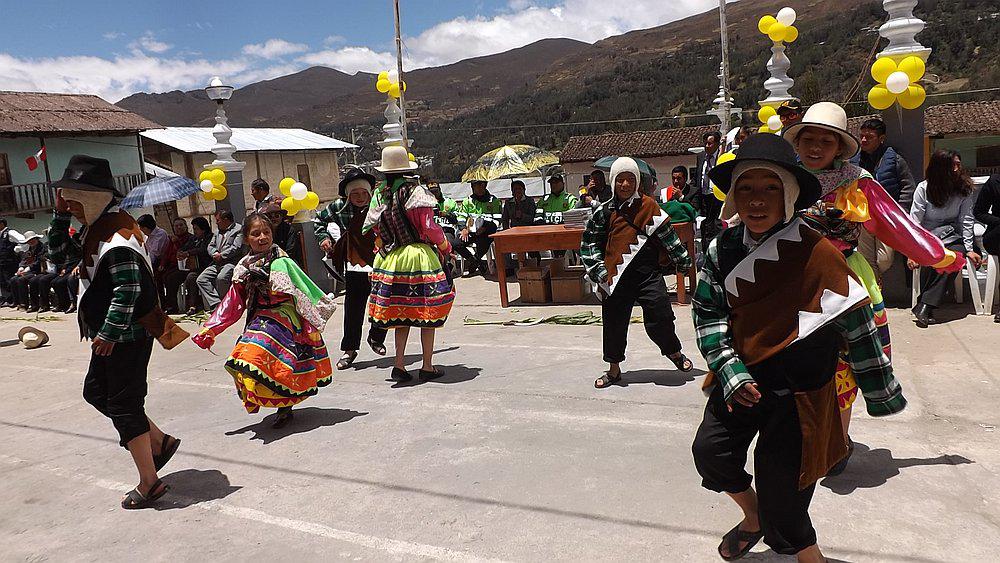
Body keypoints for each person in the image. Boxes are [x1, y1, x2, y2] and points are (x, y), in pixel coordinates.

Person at [690, 133, 906, 562]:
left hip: (802, 392)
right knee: (711, 453)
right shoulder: (721, 249)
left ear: (788, 195)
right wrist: (731, 373)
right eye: (746, 188)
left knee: (785, 495)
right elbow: (708, 314)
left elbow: (858, 325)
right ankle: (752, 517)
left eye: (771, 188)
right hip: (743, 378)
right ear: (733, 196)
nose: (757, 200)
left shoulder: (820, 254)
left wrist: (880, 391)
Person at [784, 102, 963, 473]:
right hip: (791, 281)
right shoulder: (783, 177)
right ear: (797, 143)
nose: (816, 148)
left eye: (826, 141)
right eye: (809, 140)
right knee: (793, 364)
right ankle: (804, 436)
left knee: (842, 362)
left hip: (844, 281)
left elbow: (898, 226)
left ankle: (838, 444)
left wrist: (941, 256)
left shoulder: (858, 182)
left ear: (839, 146)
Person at [51, 154, 188, 510]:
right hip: (112, 335)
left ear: (95, 197)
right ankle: (159, 441)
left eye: (76, 200)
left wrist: (109, 333)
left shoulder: (118, 237)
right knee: (96, 392)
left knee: (124, 405)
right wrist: (60, 215)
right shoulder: (96, 229)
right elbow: (59, 253)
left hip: (126, 336)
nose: (72, 207)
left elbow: (127, 291)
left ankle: (150, 482)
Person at [193, 212, 335, 428]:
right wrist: (210, 329)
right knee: (242, 358)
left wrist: (313, 318)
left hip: (285, 315)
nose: (262, 237)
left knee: (264, 355)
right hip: (260, 317)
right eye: (255, 233)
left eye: (266, 232)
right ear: (246, 238)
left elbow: (304, 290)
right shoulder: (243, 266)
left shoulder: (283, 261)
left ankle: (284, 407)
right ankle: (275, 402)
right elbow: (233, 301)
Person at [580, 157, 694, 389]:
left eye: (630, 179)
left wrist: (683, 261)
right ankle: (613, 370)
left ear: (638, 182)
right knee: (614, 324)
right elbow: (589, 244)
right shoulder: (603, 212)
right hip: (615, 276)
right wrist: (599, 270)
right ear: (613, 182)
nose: (625, 185)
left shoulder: (649, 206)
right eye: (620, 180)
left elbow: (668, 237)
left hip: (648, 275)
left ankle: (674, 352)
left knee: (661, 314)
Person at [364, 145, 455, 382]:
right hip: (418, 256)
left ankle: (400, 365)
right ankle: (426, 365)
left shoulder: (380, 193)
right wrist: (446, 247)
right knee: (426, 312)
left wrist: (384, 246)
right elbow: (428, 226)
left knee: (401, 314)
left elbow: (373, 227)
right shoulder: (415, 192)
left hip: (392, 258)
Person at [313, 167, 388, 369]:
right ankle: (349, 349)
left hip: (379, 260)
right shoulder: (339, 207)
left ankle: (376, 336)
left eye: (364, 193)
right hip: (354, 261)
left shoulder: (378, 205)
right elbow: (318, 220)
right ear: (348, 195)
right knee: (353, 307)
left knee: (383, 302)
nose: (360, 197)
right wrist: (324, 238)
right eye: (355, 194)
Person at [909, 150, 982, 327]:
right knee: (937, 257)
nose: (957, 169)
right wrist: (911, 252)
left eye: (958, 164)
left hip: (954, 237)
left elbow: (966, 220)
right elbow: (914, 222)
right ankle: (926, 304)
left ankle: (925, 305)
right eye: (952, 165)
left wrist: (970, 248)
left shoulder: (963, 189)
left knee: (954, 257)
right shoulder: (924, 188)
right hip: (927, 237)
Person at [855, 118, 917, 210]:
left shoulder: (895, 159)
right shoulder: (854, 161)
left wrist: (900, 210)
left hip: (888, 214)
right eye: (861, 136)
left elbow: (908, 188)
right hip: (859, 213)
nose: (863, 140)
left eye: (869, 137)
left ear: (881, 138)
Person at [196, 210, 245, 309]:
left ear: (226, 220)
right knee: (201, 279)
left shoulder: (239, 229)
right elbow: (210, 246)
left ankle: (226, 303)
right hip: (216, 262)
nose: (216, 223)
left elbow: (236, 247)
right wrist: (214, 253)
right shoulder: (217, 231)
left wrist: (222, 255)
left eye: (218, 220)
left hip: (231, 262)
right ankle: (217, 303)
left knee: (221, 278)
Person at [454, 179, 502, 277]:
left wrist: (485, 228)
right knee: (455, 244)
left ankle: (476, 261)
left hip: (486, 232)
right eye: (476, 186)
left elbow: (497, 220)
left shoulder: (494, 201)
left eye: (481, 185)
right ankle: (477, 262)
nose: (479, 188)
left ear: (485, 186)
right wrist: (463, 229)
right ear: (472, 187)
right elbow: (461, 217)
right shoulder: (467, 201)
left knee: (483, 243)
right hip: (470, 232)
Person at [695, 131, 724, 252]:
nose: (707, 146)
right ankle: (706, 253)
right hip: (704, 197)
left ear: (717, 144)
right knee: (706, 227)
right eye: (705, 143)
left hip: (717, 197)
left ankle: (718, 250)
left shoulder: (722, 157)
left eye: (710, 143)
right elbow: (697, 176)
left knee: (716, 226)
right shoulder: (701, 157)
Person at [177, 216, 213, 314]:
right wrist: (181, 252)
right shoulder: (195, 239)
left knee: (191, 277)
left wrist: (188, 253)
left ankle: (193, 305)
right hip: (196, 267)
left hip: (207, 266)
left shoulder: (210, 237)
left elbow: (203, 250)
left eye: (196, 229)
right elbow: (185, 247)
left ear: (203, 229)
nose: (195, 231)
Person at [158, 217, 191, 314]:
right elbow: (166, 254)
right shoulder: (171, 240)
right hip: (171, 266)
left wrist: (177, 242)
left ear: (186, 226)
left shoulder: (190, 238)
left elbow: (184, 251)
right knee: (159, 277)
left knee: (171, 278)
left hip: (184, 267)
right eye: (176, 226)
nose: (179, 227)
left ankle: (172, 306)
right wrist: (162, 264)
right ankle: (163, 304)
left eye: (181, 225)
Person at [10, 231, 46, 311]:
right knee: (13, 279)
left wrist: (27, 269)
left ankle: (26, 304)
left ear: (36, 239)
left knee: (22, 280)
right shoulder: (29, 249)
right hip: (28, 271)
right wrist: (21, 268)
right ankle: (17, 302)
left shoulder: (42, 248)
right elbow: (24, 260)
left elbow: (39, 261)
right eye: (29, 241)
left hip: (37, 271)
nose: (31, 242)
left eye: (32, 240)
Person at [0, 218, 20, 307]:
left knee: (9, 281)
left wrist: (18, 249)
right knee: (2, 281)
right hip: (1, 262)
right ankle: (6, 299)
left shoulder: (10, 232)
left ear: (2, 224)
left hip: (9, 262)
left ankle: (14, 299)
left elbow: (22, 240)